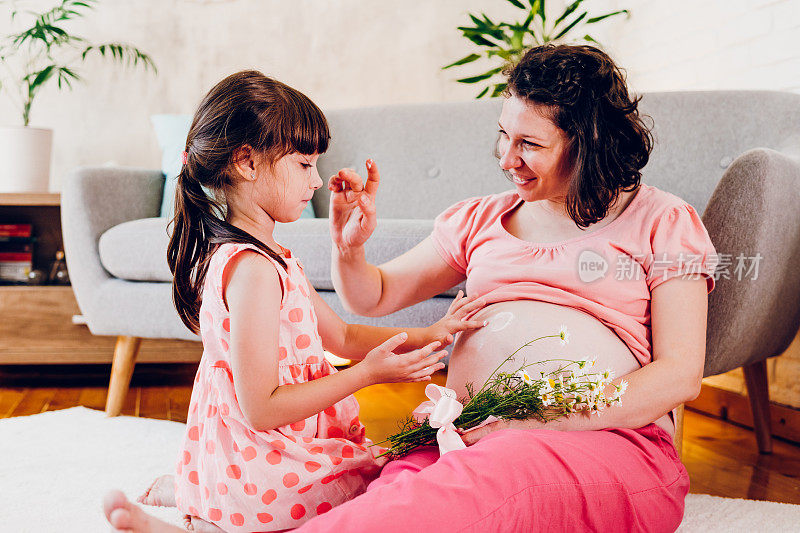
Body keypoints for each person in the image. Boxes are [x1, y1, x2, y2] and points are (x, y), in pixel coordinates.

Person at [104, 43, 717, 532]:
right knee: (390, 489)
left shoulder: (665, 222)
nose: (508, 158)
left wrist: (540, 420)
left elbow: (680, 373)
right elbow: (369, 299)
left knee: (486, 481)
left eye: (530, 143)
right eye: (504, 135)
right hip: (465, 435)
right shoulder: (480, 219)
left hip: (610, 448)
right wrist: (351, 247)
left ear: (589, 143)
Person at [102, 70, 484, 533]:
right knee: (381, 487)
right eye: (305, 165)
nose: (318, 181)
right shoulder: (254, 271)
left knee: (388, 468)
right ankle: (191, 513)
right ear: (247, 162)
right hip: (265, 461)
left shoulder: (276, 258)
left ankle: (199, 488)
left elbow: (342, 335)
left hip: (250, 456)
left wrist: (431, 333)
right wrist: (366, 375)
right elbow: (262, 408)